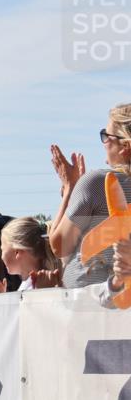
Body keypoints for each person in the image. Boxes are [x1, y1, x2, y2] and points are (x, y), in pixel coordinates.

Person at [48, 103, 131, 288]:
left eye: (106, 136)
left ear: (124, 146)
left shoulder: (97, 182)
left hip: (94, 299)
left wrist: (70, 188)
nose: (104, 142)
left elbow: (59, 246)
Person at [0, 217, 61, 294]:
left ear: (17, 252)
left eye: (2, 250)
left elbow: (25, 313)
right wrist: (2, 294)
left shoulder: (41, 285)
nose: (1, 256)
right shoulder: (33, 282)